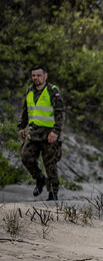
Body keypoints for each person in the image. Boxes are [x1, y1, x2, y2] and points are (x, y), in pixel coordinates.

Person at [18, 65, 64, 201]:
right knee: (25, 157)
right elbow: (25, 110)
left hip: (49, 135)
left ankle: (53, 193)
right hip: (33, 133)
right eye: (33, 75)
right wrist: (21, 126)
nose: (35, 78)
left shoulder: (52, 91)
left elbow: (60, 113)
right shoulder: (29, 91)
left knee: (50, 164)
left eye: (38, 75)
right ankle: (39, 179)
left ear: (45, 76)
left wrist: (56, 131)